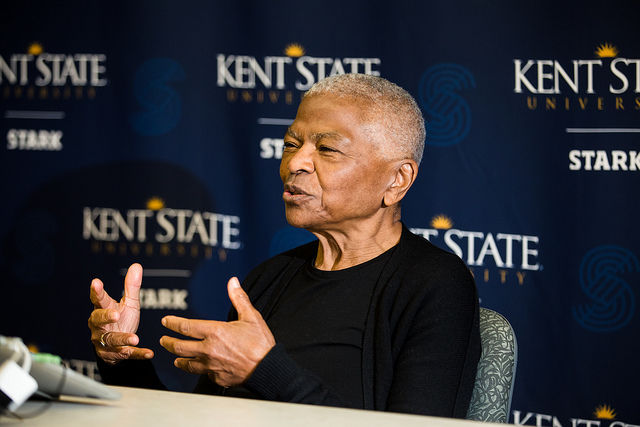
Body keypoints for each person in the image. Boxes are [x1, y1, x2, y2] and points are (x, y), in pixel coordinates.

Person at [88, 73, 481, 417]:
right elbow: (201, 417)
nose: (296, 163)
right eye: (292, 144)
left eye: (326, 149)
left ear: (397, 180)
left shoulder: (435, 284)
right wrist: (121, 361)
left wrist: (264, 370)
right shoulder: (270, 279)